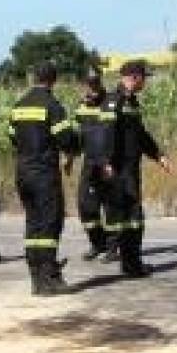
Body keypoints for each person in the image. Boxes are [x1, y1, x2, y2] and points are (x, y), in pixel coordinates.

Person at [8, 63, 79, 296]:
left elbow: (12, 137)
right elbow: (66, 139)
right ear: (53, 81)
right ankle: (49, 278)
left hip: (23, 172)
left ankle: (36, 279)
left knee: (33, 223)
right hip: (44, 174)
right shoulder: (52, 105)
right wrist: (73, 150)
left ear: (33, 77)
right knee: (49, 223)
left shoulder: (18, 106)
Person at [98, 60, 172, 277]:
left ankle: (131, 263)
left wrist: (158, 155)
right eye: (144, 77)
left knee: (133, 218)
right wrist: (106, 162)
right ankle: (131, 264)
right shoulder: (114, 101)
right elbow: (105, 133)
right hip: (119, 171)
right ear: (134, 77)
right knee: (132, 217)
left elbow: (140, 135)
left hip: (130, 169)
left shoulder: (132, 103)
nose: (145, 82)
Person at [74, 66, 111, 261]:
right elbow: (78, 134)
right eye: (89, 83)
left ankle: (114, 247)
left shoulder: (110, 102)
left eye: (95, 82)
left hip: (108, 162)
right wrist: (70, 157)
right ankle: (98, 243)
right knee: (85, 204)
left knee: (110, 205)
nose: (92, 86)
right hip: (89, 163)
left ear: (100, 81)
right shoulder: (81, 105)